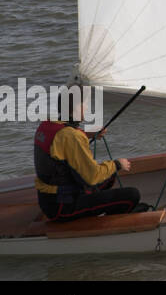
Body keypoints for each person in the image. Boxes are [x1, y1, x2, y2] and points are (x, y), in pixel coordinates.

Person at [34, 92, 144, 222]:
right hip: (63, 206)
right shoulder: (72, 136)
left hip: (49, 200)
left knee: (109, 177)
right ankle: (105, 227)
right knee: (131, 195)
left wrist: (89, 135)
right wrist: (118, 164)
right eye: (84, 104)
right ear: (76, 108)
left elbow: (61, 141)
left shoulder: (47, 125)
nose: (86, 107)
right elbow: (92, 178)